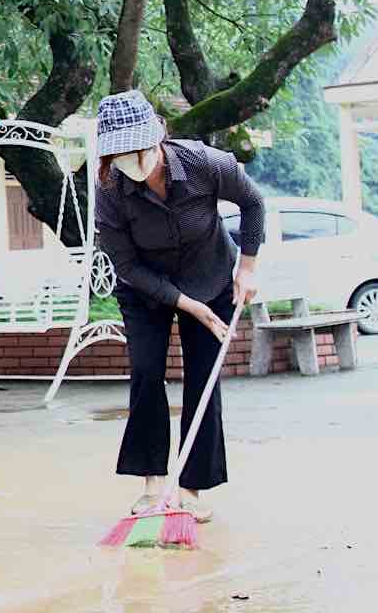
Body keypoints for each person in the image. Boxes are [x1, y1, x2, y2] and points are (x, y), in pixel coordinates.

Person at [93, 90, 264, 523]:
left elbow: (253, 202)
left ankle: (190, 487)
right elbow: (127, 265)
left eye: (138, 149)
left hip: (210, 275)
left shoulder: (205, 163)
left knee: (204, 378)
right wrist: (185, 304)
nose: (132, 159)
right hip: (146, 288)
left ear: (158, 137)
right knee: (147, 373)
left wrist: (247, 268)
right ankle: (153, 482)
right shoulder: (110, 189)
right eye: (121, 153)